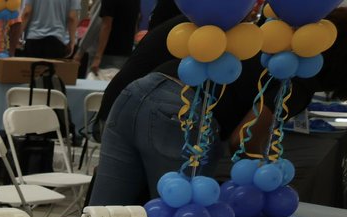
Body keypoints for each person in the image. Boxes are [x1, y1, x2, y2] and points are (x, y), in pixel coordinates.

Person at [91, 10, 347, 205]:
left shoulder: (268, 39)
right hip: (181, 111)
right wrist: (265, 180)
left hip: (138, 91)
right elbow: (244, 138)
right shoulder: (299, 78)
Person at [81, 0, 137, 78]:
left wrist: (97, 57)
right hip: (125, 53)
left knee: (96, 82)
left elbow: (106, 25)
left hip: (106, 54)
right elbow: (136, 22)